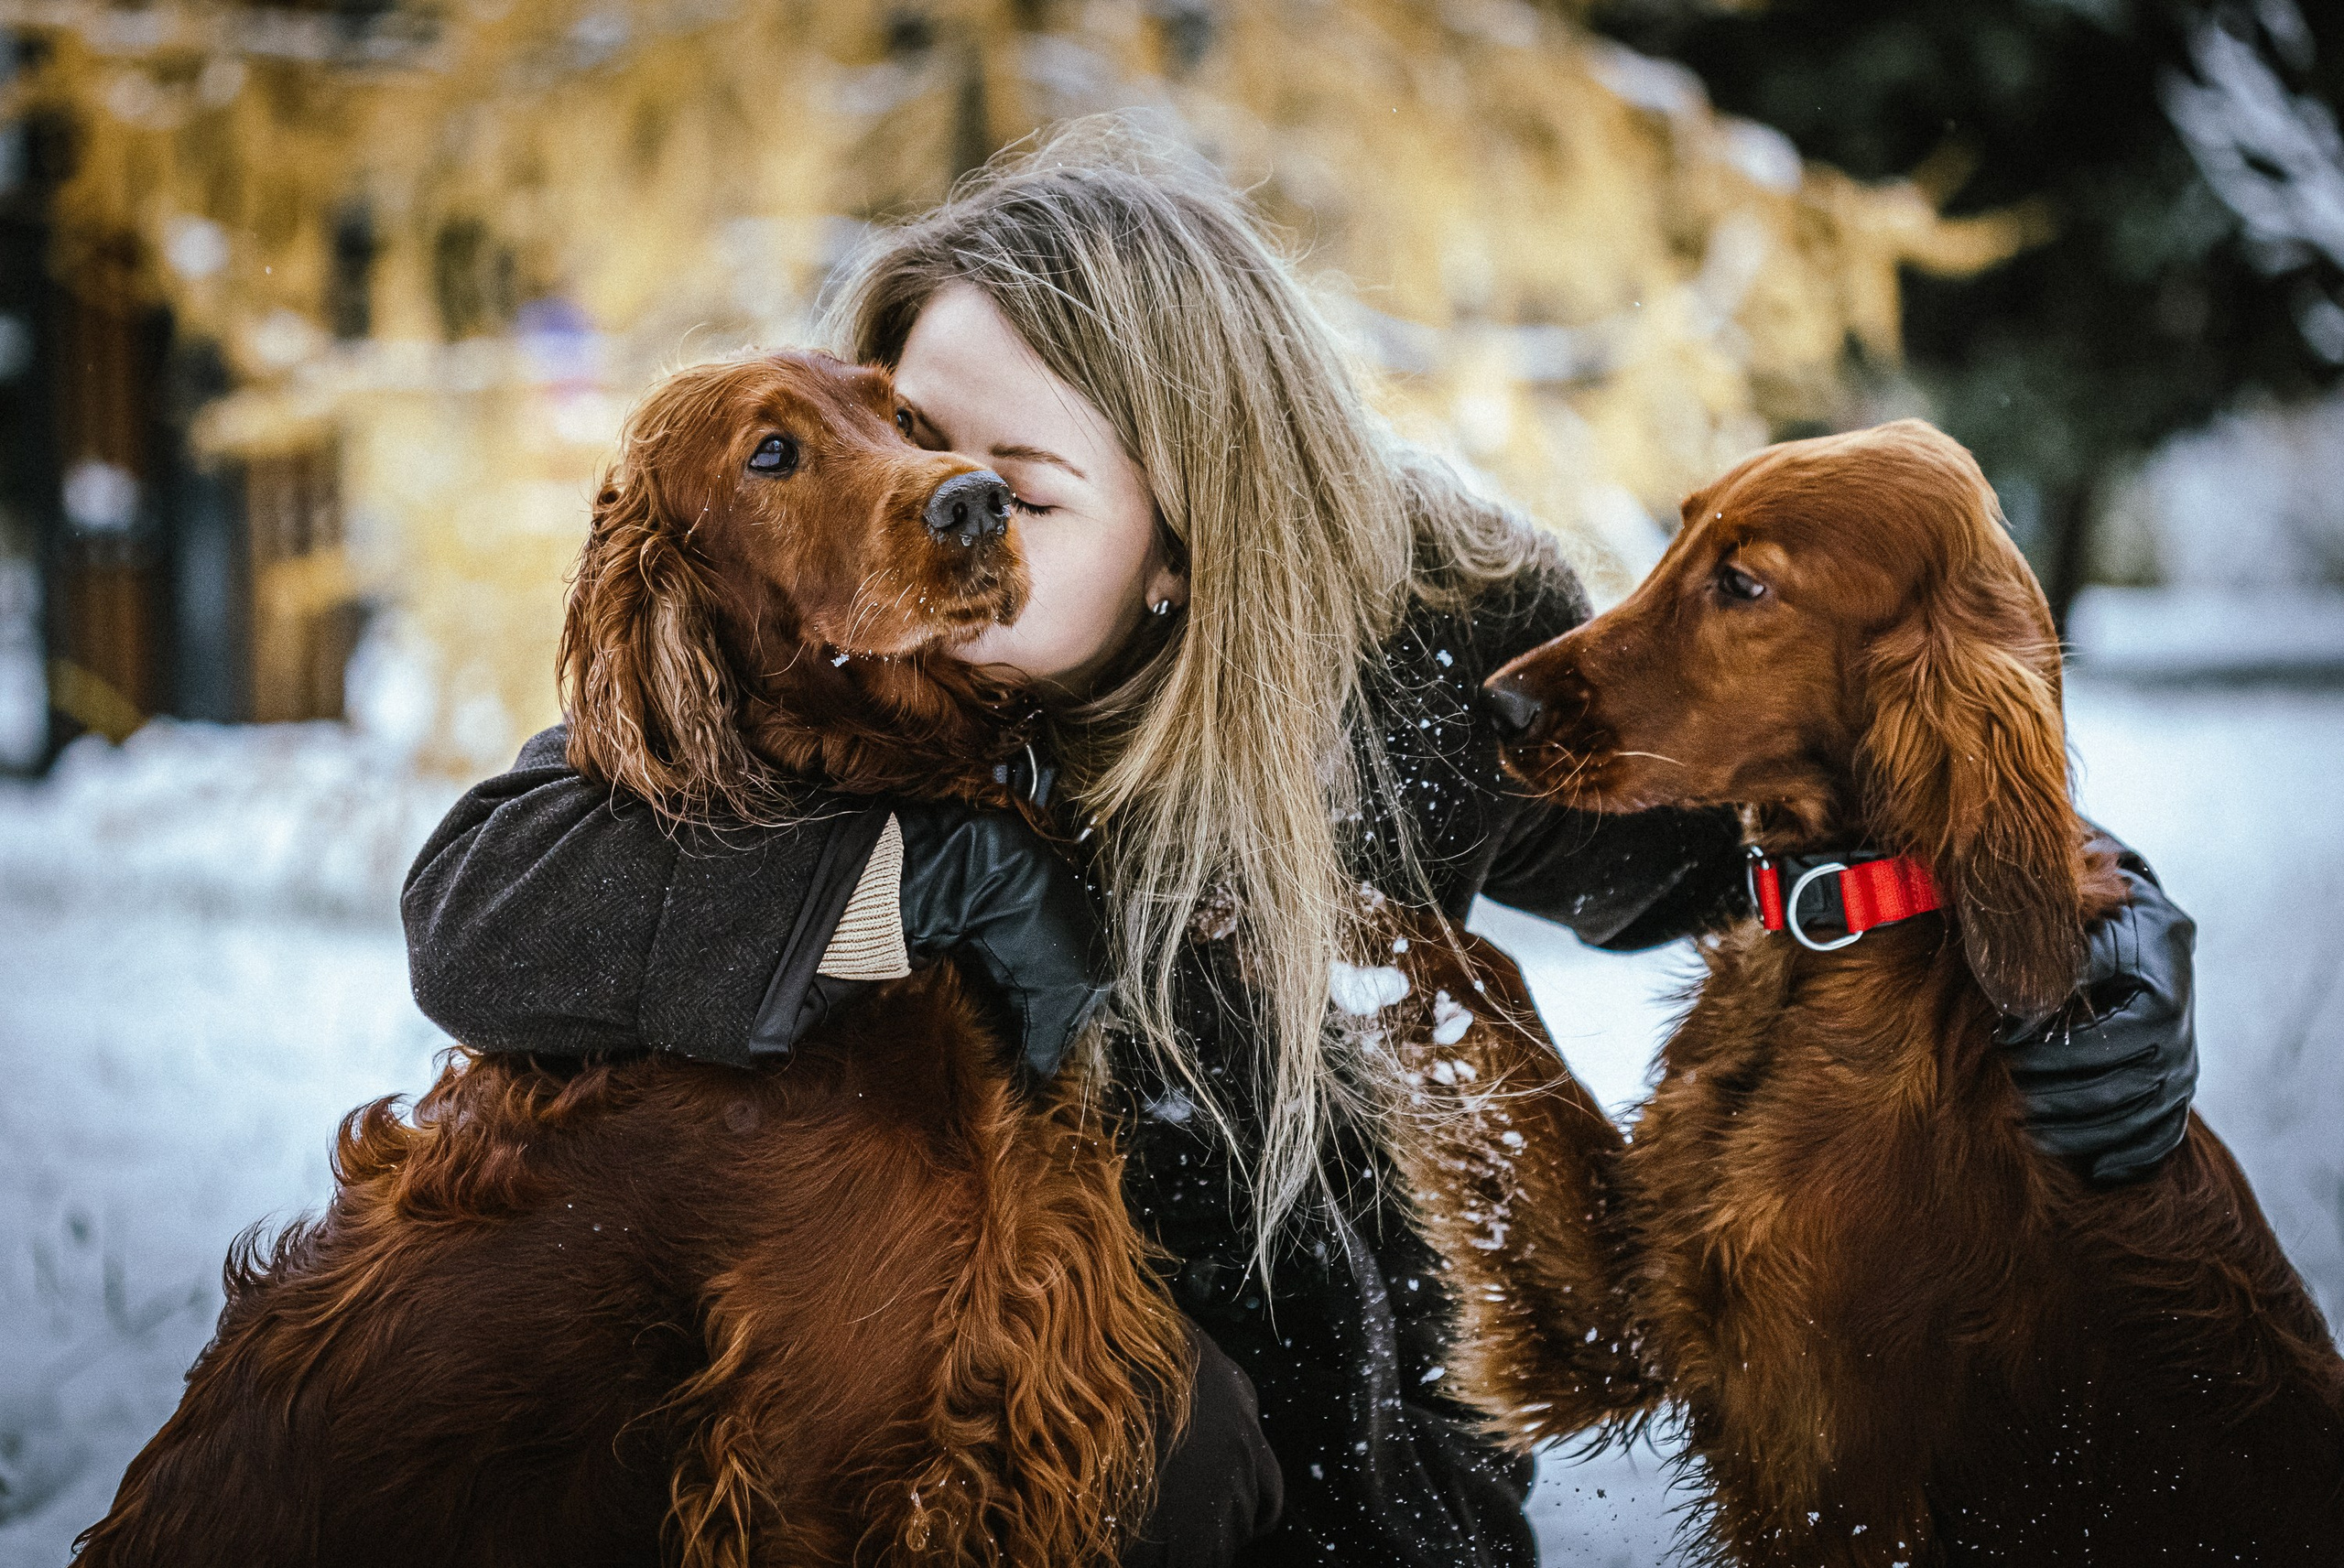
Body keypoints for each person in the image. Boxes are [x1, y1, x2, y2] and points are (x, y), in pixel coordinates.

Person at [402, 125, 2198, 1567]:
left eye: (1011, 491)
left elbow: (1768, 822)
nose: (928, 510)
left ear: (1189, 530)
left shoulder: (1410, 651)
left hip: (1359, 1494)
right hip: (947, 1469)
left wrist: (2080, 912)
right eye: (898, 439)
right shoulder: (837, 671)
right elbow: (484, 904)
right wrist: (936, 882)